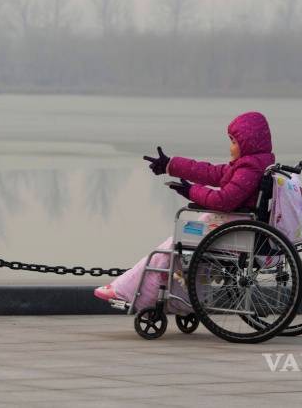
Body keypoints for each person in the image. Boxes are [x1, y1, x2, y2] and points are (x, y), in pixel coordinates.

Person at [93, 111, 275, 307]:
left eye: (233, 141)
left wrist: (191, 191)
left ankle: (126, 291)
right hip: (237, 226)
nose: (230, 148)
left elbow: (224, 200)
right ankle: (182, 301)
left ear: (248, 142)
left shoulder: (249, 169)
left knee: (172, 246)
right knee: (181, 246)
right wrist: (171, 165)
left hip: (235, 230)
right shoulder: (255, 165)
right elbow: (213, 172)